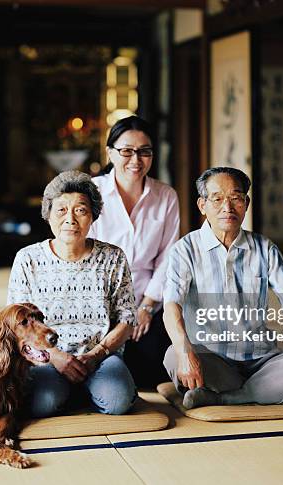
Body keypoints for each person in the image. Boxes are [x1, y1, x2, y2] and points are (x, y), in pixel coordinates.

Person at [163, 167, 283, 409]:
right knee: (172, 355)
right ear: (202, 205)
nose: (227, 207)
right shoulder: (184, 250)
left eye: (236, 198)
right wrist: (185, 351)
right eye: (217, 199)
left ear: (246, 203)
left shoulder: (264, 248)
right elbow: (171, 306)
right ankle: (257, 391)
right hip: (212, 360)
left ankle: (226, 398)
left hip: (262, 359)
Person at [7, 170, 137, 417]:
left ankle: (85, 389)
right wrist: (55, 356)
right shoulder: (27, 259)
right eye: (61, 210)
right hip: (46, 356)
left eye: (80, 210)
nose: (70, 219)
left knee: (118, 401)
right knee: (40, 403)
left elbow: (127, 320)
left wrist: (95, 355)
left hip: (99, 355)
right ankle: (71, 391)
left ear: (93, 216)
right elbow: (16, 324)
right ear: (48, 215)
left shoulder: (113, 257)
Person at [89, 116, 180, 388]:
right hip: (98, 302)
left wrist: (146, 307)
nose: (135, 160)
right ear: (110, 153)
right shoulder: (92, 192)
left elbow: (169, 257)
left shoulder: (165, 196)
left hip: (147, 301)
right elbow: (82, 254)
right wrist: (118, 315)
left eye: (144, 151)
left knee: (153, 373)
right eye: (126, 151)